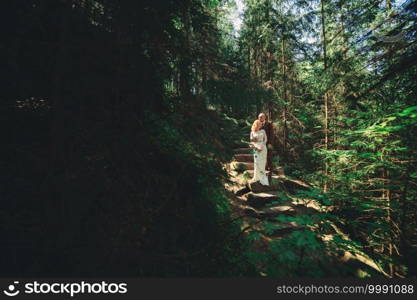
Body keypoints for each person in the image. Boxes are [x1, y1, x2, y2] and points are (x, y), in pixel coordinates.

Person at [249, 120, 269, 186]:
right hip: (256, 148)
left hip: (263, 148)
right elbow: (252, 141)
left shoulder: (263, 131)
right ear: (256, 124)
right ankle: (256, 177)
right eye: (259, 124)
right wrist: (257, 147)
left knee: (262, 163)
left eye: (261, 124)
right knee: (257, 162)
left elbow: (265, 139)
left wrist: (262, 146)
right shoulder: (252, 132)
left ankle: (262, 178)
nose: (261, 125)